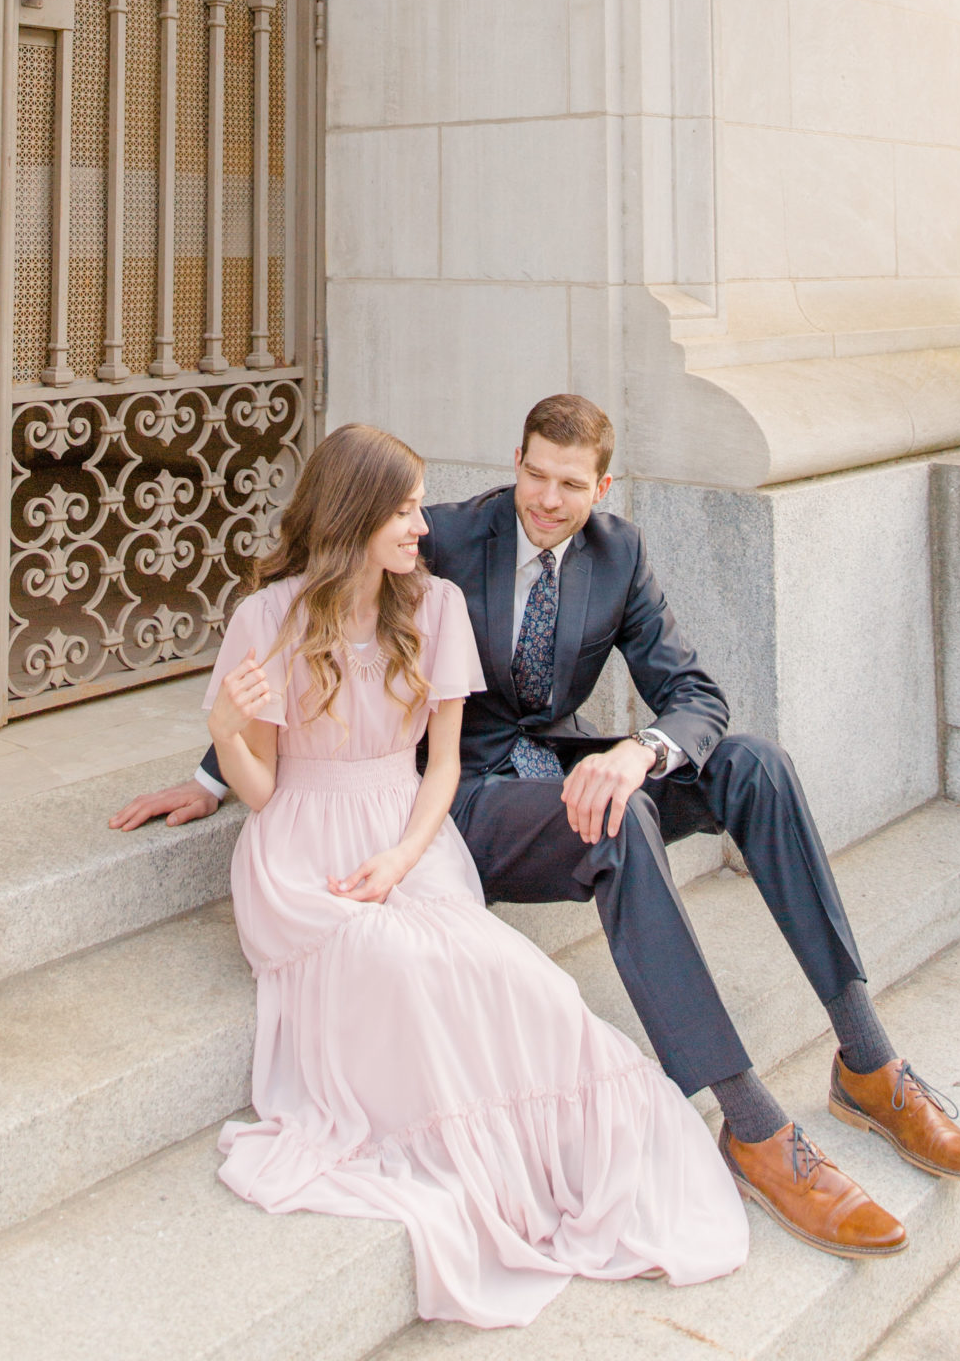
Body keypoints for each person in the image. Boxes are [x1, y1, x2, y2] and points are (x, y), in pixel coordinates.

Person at [114, 392, 960, 1259]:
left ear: (602, 488)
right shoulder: (443, 537)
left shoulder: (619, 557)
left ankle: (868, 1063)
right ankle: (752, 1124)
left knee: (754, 766)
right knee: (616, 828)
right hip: (461, 802)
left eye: (569, 485)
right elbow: (312, 639)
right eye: (534, 476)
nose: (546, 499)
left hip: (560, 775)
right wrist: (212, 771)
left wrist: (641, 752)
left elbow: (695, 695)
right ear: (514, 466)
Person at [187, 418, 747, 1328]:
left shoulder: (434, 607)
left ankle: (566, 1157)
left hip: (411, 834)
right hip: (298, 854)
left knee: (516, 979)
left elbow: (441, 766)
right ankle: (462, 1157)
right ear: (354, 514)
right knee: (402, 965)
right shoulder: (268, 617)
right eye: (403, 511)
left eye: (417, 509)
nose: (422, 527)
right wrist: (223, 735)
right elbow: (263, 791)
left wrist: (403, 858)